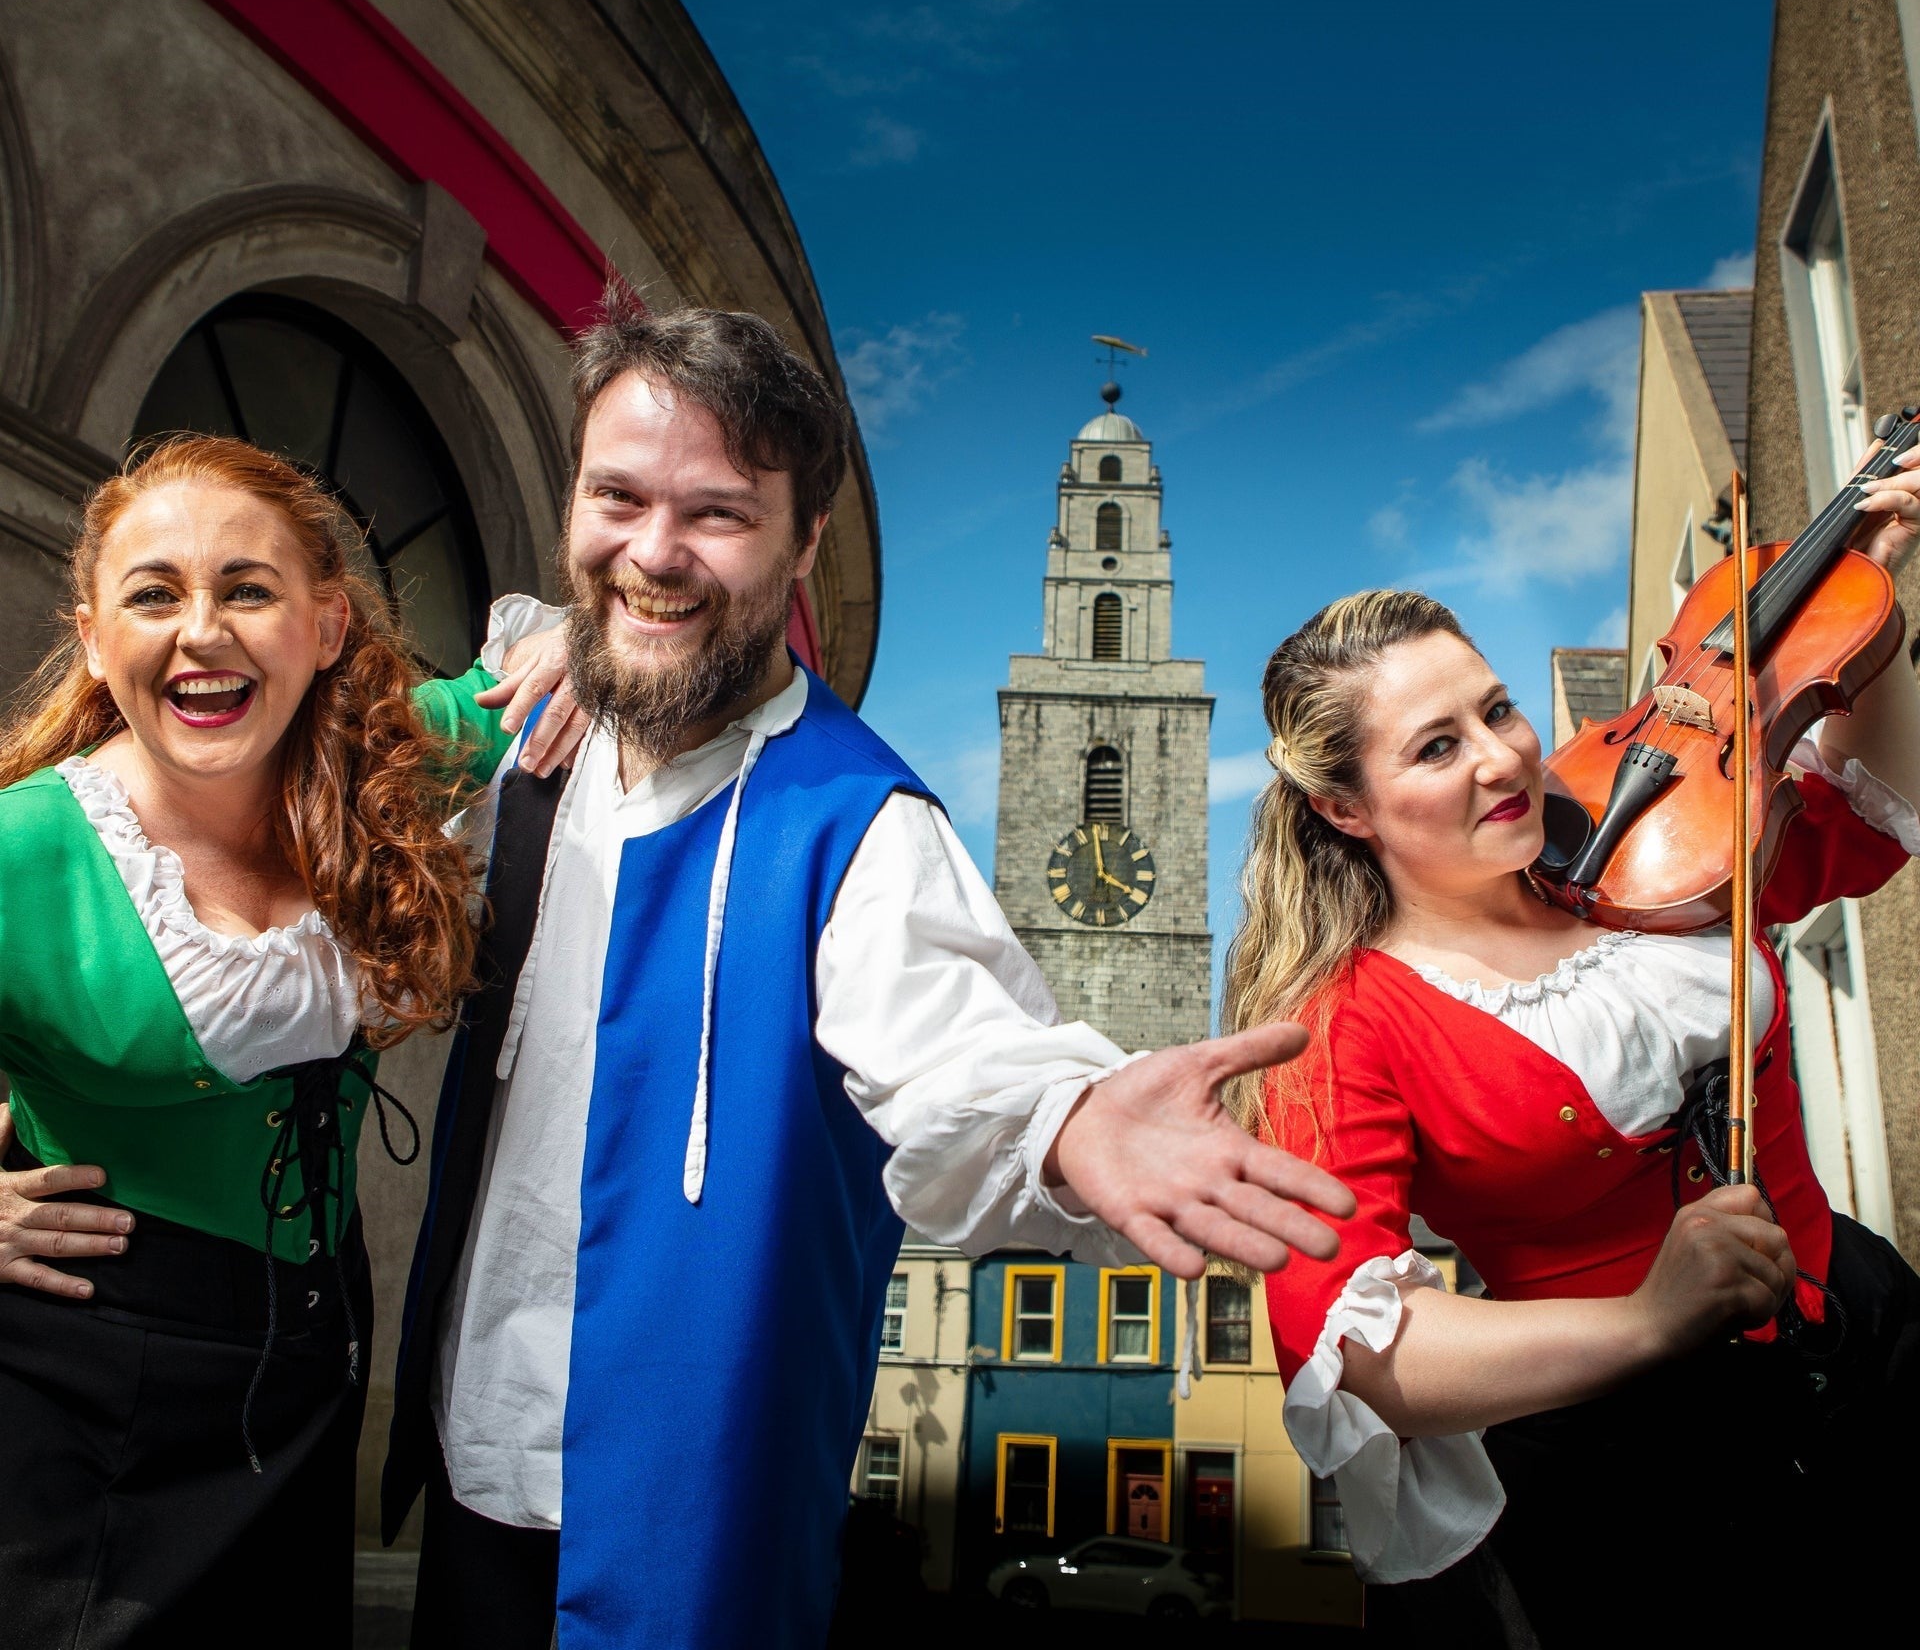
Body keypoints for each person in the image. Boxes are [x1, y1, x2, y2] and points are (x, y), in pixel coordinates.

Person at [382, 296, 1356, 1650]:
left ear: (802, 544)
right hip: (471, 1460)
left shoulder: (861, 827)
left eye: (717, 513)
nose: (653, 552)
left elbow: (962, 1048)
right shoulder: (519, 737)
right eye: (618, 497)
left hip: (691, 1518)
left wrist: (1070, 1116)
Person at [1229, 544, 1920, 1638]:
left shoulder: (1638, 839)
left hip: (1870, 1343)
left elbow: (1866, 830)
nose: (1503, 760)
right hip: (1634, 1477)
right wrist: (1648, 1321)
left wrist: (1867, 631)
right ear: (1345, 806)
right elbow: (1360, 1348)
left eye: (1497, 710)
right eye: (1437, 747)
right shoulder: (1337, 1023)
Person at [0, 434, 538, 1648]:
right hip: (86, 1389)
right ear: (93, 637)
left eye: (248, 588)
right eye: (155, 594)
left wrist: (563, 644)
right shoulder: (23, 851)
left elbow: (564, 656)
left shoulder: (385, 769)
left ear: (328, 624)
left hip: (310, 1367)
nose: (203, 631)